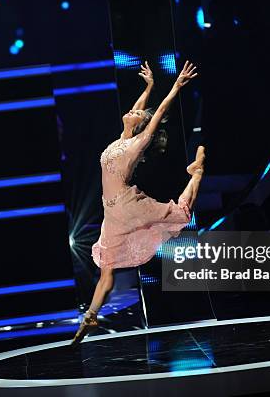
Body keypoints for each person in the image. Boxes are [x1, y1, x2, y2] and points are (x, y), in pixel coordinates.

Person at [71, 61, 203, 345]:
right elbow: (139, 111)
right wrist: (149, 86)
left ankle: (197, 174)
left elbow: (158, 114)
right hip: (112, 211)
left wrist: (175, 86)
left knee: (179, 214)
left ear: (141, 124)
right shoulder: (123, 137)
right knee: (107, 269)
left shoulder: (137, 143)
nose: (131, 110)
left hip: (129, 206)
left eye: (135, 113)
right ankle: (91, 317)